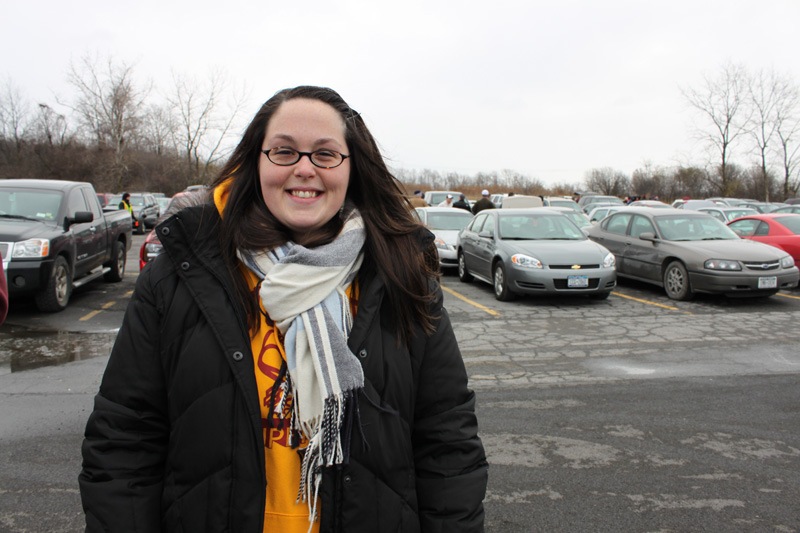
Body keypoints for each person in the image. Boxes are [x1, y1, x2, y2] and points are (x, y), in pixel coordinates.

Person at [79, 86, 488, 533]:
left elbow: (447, 444)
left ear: (352, 167)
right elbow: (125, 441)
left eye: (325, 154)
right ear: (256, 161)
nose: (305, 168)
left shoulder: (401, 276)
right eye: (284, 151)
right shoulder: (179, 276)